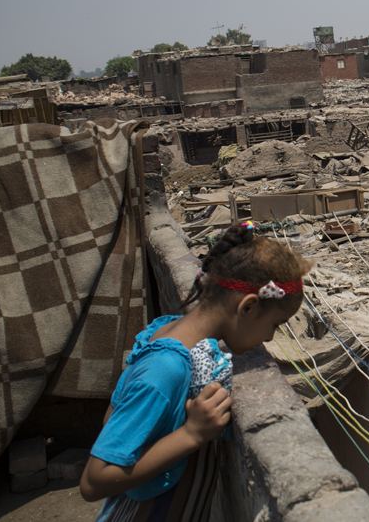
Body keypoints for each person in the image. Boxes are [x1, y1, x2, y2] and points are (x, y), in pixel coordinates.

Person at [80, 222, 314, 521]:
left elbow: (115, 416)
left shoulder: (168, 331)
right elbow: (93, 481)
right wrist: (192, 433)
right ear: (247, 307)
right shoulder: (165, 369)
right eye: (274, 325)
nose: (269, 338)